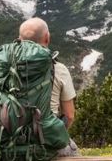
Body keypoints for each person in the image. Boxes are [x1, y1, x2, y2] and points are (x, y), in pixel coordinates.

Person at [18, 18, 79, 157]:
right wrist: (56, 134)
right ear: (47, 38)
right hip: (47, 141)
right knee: (74, 153)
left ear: (19, 40)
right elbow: (69, 115)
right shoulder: (59, 68)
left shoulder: (7, 68)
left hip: (11, 139)